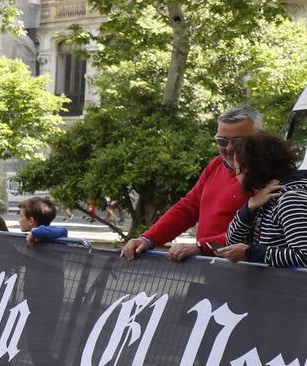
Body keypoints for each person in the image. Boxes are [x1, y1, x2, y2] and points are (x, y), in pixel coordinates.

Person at [121, 106, 257, 261]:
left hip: (252, 275)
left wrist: (202, 247)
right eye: (222, 140)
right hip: (213, 269)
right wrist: (148, 239)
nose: (230, 148)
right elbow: (189, 208)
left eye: (239, 141)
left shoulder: (269, 173)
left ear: (259, 137)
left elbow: (258, 231)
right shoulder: (217, 165)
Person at [219, 132, 307, 268]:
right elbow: (231, 243)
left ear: (249, 170)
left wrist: (250, 252)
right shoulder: (265, 197)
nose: (235, 175)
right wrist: (249, 208)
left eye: (237, 169)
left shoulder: (290, 199)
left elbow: (304, 255)